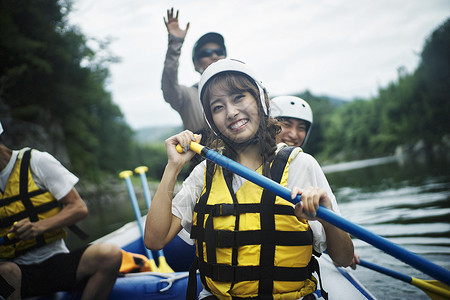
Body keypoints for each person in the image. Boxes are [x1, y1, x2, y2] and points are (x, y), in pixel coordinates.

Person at [145, 59, 354, 299]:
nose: (231, 112)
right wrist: (173, 167)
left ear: (261, 100)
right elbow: (155, 239)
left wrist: (326, 214)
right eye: (218, 107)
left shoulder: (301, 165)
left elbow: (344, 258)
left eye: (238, 98)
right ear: (212, 120)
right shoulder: (204, 173)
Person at [0, 122, 122, 300]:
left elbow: (79, 207)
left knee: (110, 255)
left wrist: (39, 227)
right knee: (6, 272)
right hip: (14, 270)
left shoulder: (36, 161)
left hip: (55, 261)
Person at [271, 96, 361, 269]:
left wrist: (333, 236)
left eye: (301, 128)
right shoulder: (241, 165)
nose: (294, 134)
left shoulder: (306, 164)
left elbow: (344, 257)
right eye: (286, 124)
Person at [162, 7, 227, 137]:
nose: (214, 56)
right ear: (196, 63)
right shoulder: (188, 96)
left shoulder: (241, 89)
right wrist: (175, 45)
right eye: (206, 53)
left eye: (219, 52)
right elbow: (169, 85)